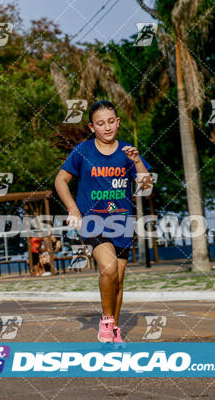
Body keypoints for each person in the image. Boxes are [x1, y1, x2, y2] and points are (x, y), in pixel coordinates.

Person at [55, 100, 152, 343]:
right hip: (93, 221)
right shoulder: (82, 152)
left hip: (122, 222)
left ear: (118, 122)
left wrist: (138, 161)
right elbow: (60, 181)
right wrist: (73, 209)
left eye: (111, 122)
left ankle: (115, 330)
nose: (107, 127)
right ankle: (107, 322)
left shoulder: (128, 152)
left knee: (117, 280)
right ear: (91, 127)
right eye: (100, 123)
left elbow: (146, 185)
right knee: (108, 268)